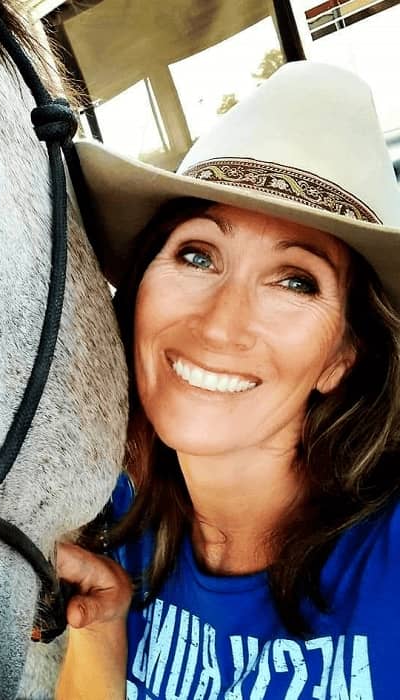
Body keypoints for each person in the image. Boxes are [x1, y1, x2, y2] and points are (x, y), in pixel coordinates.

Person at [56, 61, 400, 699]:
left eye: (295, 281)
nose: (220, 324)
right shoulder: (113, 518)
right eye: (197, 254)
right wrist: (102, 629)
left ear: (340, 358)